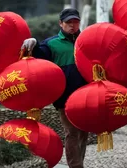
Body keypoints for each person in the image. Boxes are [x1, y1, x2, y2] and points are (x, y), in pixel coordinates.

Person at [21, 8, 88, 168]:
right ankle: (76, 166)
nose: (72, 26)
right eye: (68, 22)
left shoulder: (85, 41)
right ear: (61, 23)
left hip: (86, 95)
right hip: (65, 97)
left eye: (75, 22)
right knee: (72, 132)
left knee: (84, 132)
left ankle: (79, 163)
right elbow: (40, 55)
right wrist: (34, 44)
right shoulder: (52, 44)